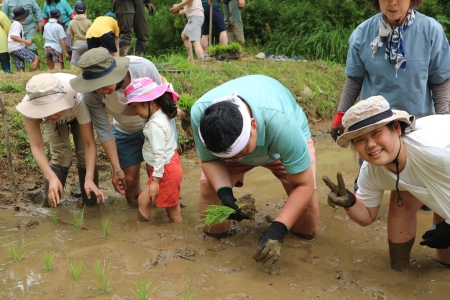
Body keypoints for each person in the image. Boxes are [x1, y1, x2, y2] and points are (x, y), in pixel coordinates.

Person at [191, 75, 319, 265]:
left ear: (253, 124)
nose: (242, 160)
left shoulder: (282, 124)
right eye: (233, 155)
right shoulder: (201, 115)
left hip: (277, 146)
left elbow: (304, 184)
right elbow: (210, 161)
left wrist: (279, 229)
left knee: (306, 228)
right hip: (237, 145)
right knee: (210, 190)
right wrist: (224, 193)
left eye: (242, 151)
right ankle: (214, 245)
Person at [324, 95, 450, 271]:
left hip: (439, 165)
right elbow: (367, 216)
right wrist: (350, 202)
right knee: (402, 198)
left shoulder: (439, 153)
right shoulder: (371, 171)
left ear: (396, 128)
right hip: (426, 171)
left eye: (376, 133)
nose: (370, 145)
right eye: (360, 139)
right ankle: (400, 274)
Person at [69, 47, 164, 205]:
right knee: (129, 181)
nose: (100, 90)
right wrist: (116, 168)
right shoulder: (91, 94)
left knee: (158, 176)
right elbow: (104, 130)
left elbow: (162, 102)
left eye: (104, 83)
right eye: (95, 85)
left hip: (155, 127)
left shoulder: (143, 68)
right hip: (125, 130)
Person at [16, 73, 104, 208]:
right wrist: (50, 177)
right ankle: (49, 208)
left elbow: (88, 144)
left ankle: (92, 206)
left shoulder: (78, 98)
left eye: (54, 108)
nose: (52, 114)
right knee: (61, 155)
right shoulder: (30, 105)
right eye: (46, 110)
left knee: (83, 156)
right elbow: (37, 146)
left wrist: (89, 177)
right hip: (57, 119)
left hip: (74, 112)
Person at [123, 77, 183, 223]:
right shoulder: (162, 113)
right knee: (143, 200)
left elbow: (160, 154)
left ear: (149, 102)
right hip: (167, 167)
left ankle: (175, 237)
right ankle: (141, 232)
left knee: (173, 212)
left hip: (166, 170)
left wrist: (155, 181)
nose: (134, 111)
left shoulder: (155, 125)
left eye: (135, 106)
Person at [8, 6, 40, 72]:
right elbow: (13, 36)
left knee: (20, 67)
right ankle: (31, 74)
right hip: (17, 47)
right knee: (36, 58)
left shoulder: (15, 23)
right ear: (22, 17)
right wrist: (26, 41)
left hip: (12, 48)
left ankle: (23, 76)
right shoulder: (17, 24)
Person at [66, 1, 91, 70]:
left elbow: (71, 37)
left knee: (73, 64)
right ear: (86, 11)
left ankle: (72, 76)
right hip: (88, 45)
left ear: (74, 11)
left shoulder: (71, 22)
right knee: (88, 63)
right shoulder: (89, 22)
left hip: (77, 46)